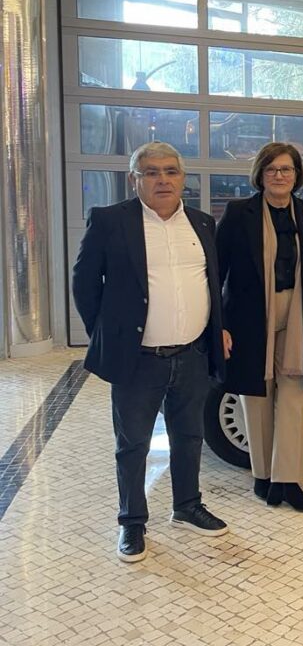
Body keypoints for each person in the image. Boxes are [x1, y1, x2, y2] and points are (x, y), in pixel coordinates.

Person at [72, 142, 229, 563]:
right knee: (133, 444)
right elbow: (84, 284)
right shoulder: (111, 221)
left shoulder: (201, 223)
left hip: (192, 354)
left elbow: (211, 283)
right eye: (152, 172)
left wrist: (217, 329)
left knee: (190, 436)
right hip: (138, 360)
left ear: (183, 178)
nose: (163, 180)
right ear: (134, 179)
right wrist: (108, 334)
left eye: (171, 171)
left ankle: (187, 505)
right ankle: (132, 521)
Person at [216, 142, 303, 512]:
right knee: (258, 394)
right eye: (272, 169)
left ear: (297, 175)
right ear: (260, 175)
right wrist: (220, 325)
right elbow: (216, 270)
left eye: (286, 169)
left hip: (298, 313)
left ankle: (289, 480)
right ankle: (263, 475)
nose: (279, 176)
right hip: (250, 316)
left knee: (295, 393)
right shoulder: (239, 213)